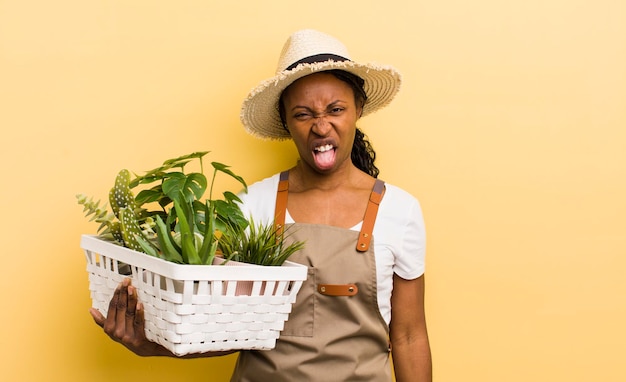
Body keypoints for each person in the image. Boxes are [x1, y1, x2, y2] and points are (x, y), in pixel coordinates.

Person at [91, 29, 432, 382]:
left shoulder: (400, 211)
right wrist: (153, 344)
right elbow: (223, 328)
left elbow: (409, 336)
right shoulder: (252, 205)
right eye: (303, 114)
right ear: (286, 121)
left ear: (358, 109)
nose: (320, 125)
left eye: (336, 109)